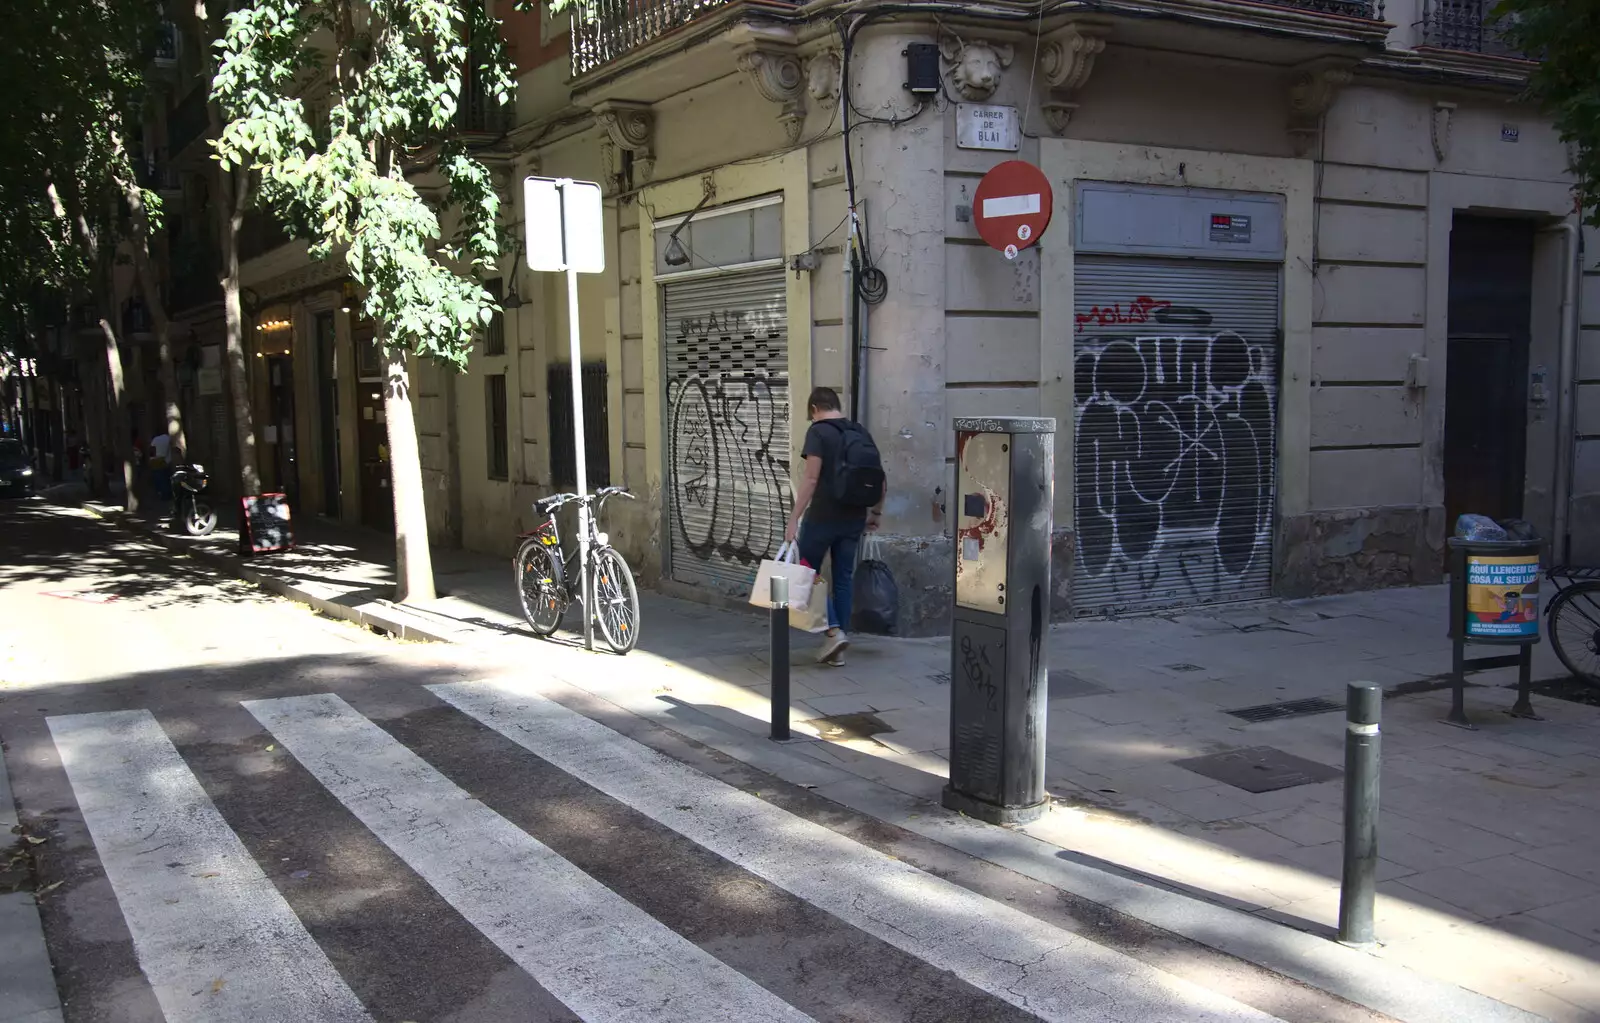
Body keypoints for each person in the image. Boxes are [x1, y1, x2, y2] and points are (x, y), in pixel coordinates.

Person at [784, 386, 886, 666]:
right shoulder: (860, 432)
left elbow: (811, 479)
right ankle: (837, 650)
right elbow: (880, 478)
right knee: (842, 579)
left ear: (815, 409)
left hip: (823, 517)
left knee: (805, 570)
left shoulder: (818, 432)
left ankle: (833, 632)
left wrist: (793, 517)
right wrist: (876, 512)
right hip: (854, 517)